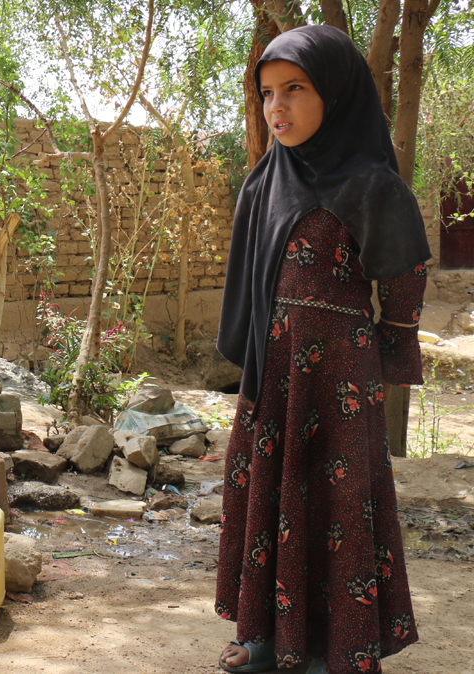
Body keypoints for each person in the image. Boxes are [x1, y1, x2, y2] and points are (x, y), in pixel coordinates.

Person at [214, 26, 430, 674]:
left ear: (334, 93)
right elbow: (247, 282)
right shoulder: (263, 184)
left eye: (295, 89)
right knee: (268, 499)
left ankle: (343, 643)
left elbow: (402, 284)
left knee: (335, 506)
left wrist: (387, 366)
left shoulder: (373, 186)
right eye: (267, 93)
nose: (275, 107)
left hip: (340, 388)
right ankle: (260, 636)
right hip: (274, 381)